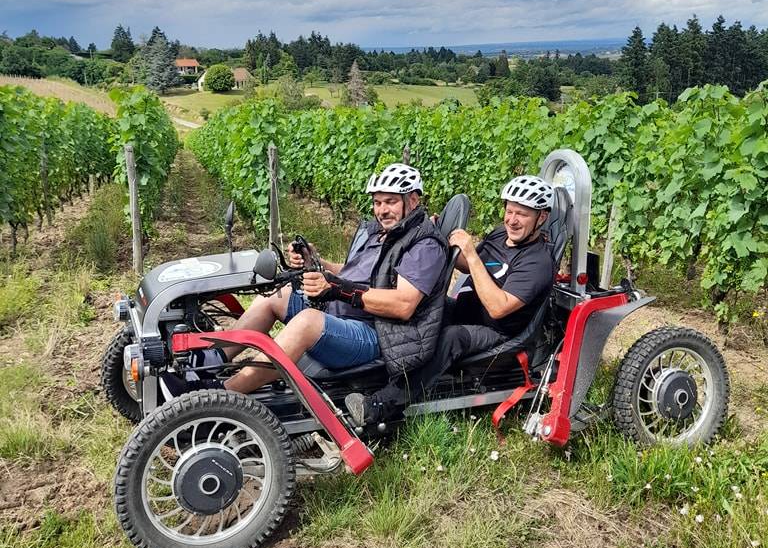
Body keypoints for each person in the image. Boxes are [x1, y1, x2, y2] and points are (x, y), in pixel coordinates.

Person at [160, 163, 448, 401]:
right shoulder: (381, 232)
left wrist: (337, 288)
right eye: (377, 202)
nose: (382, 210)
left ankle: (219, 396)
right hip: (346, 314)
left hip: (380, 334)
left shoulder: (424, 245)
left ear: (413, 200)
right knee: (277, 294)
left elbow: (404, 305)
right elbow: (350, 272)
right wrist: (315, 262)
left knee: (307, 321)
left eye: (390, 202)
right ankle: (209, 362)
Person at [344, 175, 555, 426]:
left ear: (541, 218)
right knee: (421, 309)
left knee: (450, 338)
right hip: (465, 310)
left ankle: (382, 405)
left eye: (522, 214)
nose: (512, 220)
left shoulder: (537, 262)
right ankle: (370, 371)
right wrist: (438, 239)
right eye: (509, 211)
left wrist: (471, 253)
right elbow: (469, 266)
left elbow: (498, 308)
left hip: (497, 332)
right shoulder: (501, 235)